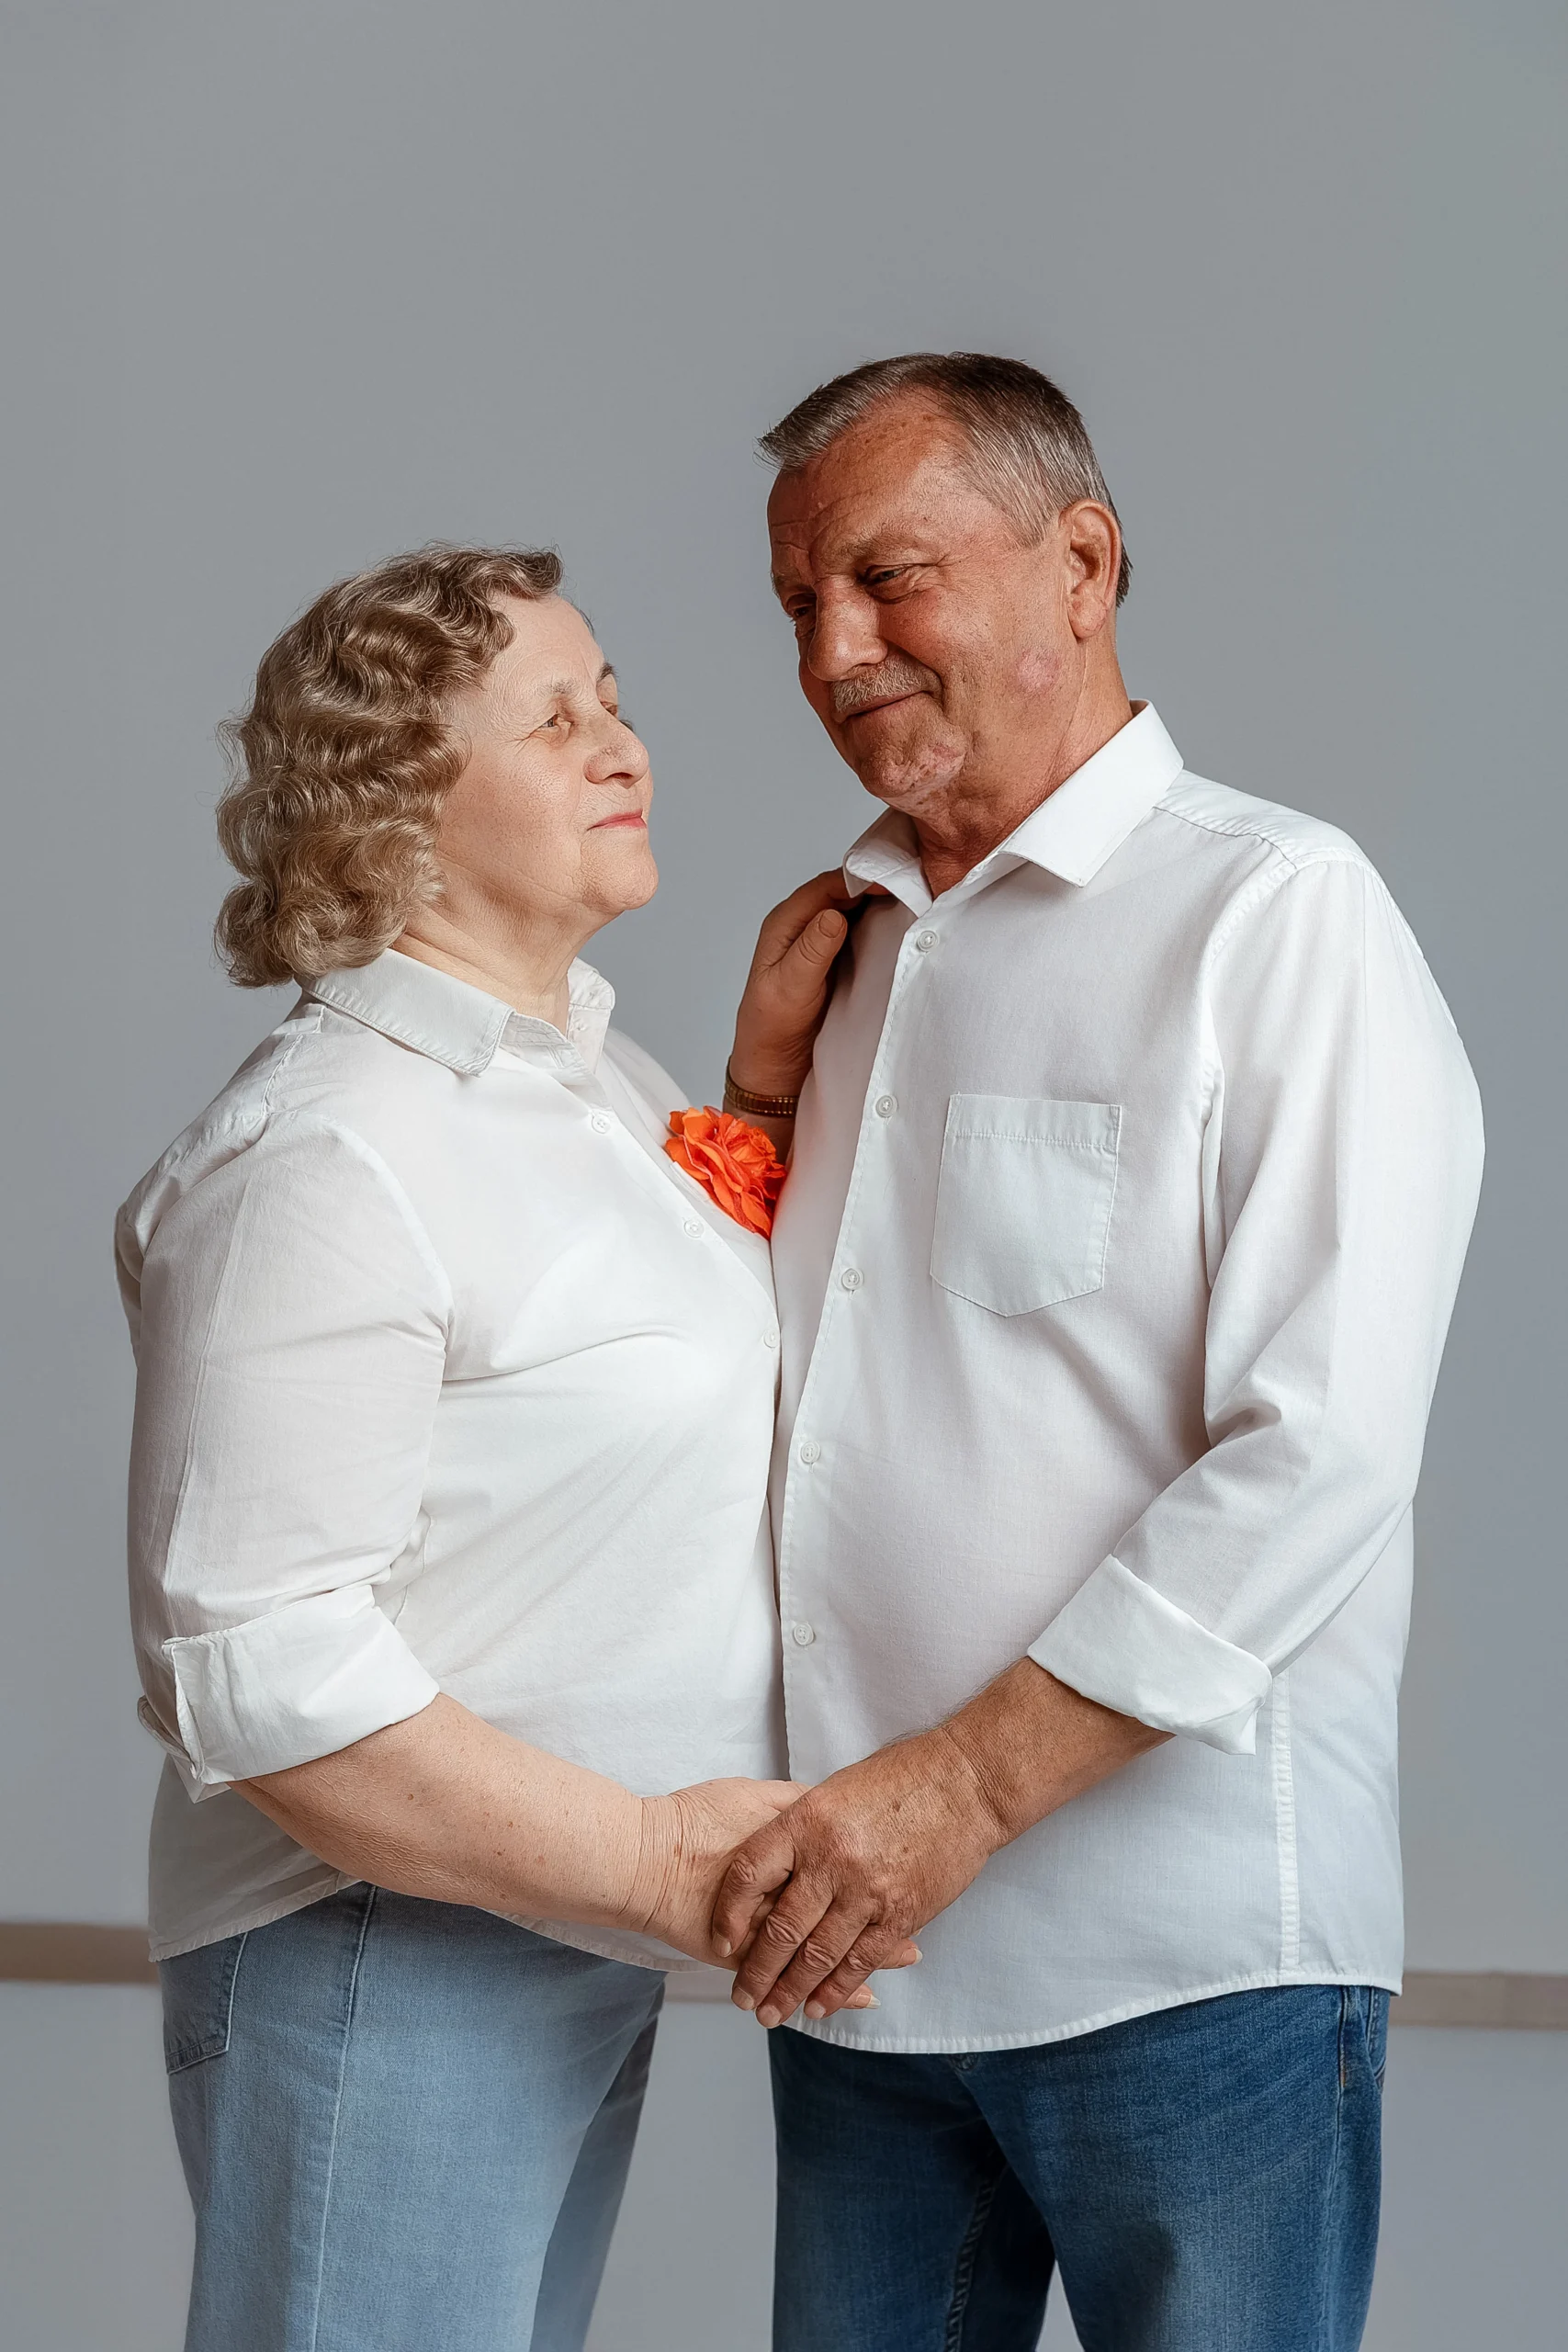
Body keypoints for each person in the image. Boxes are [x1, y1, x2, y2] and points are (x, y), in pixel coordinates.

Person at [712, 355, 1485, 2351]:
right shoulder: (842, 956)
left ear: (1080, 562)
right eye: (797, 601)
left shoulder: (1275, 914)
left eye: (887, 577)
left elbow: (1317, 1448)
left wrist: (955, 1796)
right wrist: (752, 1100)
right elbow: (757, 1399)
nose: (832, 651)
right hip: (862, 1958)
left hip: (1184, 1959)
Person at [116, 545, 897, 2352]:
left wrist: (757, 1097)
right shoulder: (324, 1153)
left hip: (549, 1930)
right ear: (395, 800)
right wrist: (655, 1861)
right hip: (375, 1941)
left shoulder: (590, 1086)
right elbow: (254, 1662)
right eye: (553, 721)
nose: (622, 743)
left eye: (612, 698)